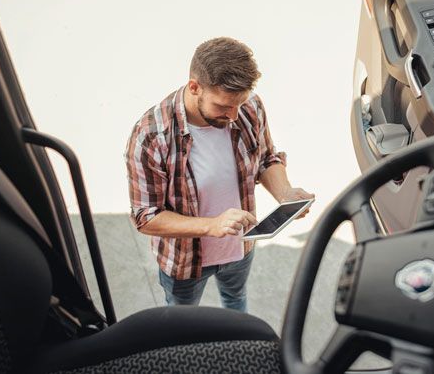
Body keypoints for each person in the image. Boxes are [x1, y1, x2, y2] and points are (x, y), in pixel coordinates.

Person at [125, 37, 314, 313]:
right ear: (194, 87)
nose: (234, 115)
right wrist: (212, 226)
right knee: (182, 322)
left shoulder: (249, 106)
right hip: (186, 262)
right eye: (224, 107)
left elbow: (266, 159)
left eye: (239, 104)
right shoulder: (151, 136)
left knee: (236, 301)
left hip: (242, 247)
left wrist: (284, 192)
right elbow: (146, 217)